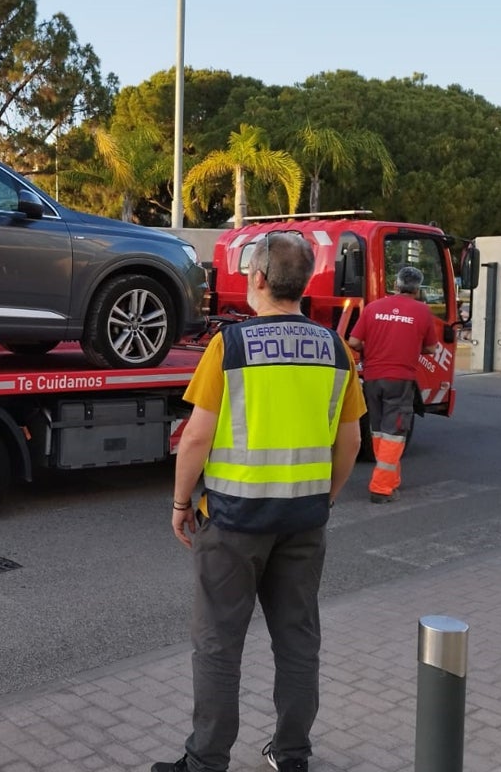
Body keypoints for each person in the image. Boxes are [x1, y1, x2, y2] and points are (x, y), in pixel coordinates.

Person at [151, 232, 365, 772]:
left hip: (232, 521)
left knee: (219, 645)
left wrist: (181, 504)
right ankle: (292, 754)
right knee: (297, 641)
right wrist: (325, 497)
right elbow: (351, 440)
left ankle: (207, 759)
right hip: (304, 520)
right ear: (304, 283)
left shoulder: (233, 345)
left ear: (261, 279)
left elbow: (196, 437)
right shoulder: (335, 348)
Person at [346, 266, 439, 503]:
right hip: (400, 380)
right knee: (395, 433)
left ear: (396, 285)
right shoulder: (422, 312)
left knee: (378, 430)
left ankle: (391, 478)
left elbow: (354, 341)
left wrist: (374, 349)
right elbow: (430, 348)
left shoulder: (373, 308)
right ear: (417, 289)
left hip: (373, 379)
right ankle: (381, 487)